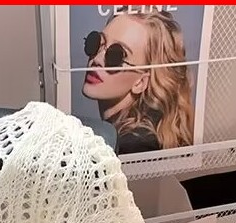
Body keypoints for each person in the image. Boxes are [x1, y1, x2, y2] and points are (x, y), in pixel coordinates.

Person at [80, 9, 194, 153]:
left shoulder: (133, 145)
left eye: (116, 55)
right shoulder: (124, 136)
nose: (97, 60)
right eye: (97, 43)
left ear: (140, 82)